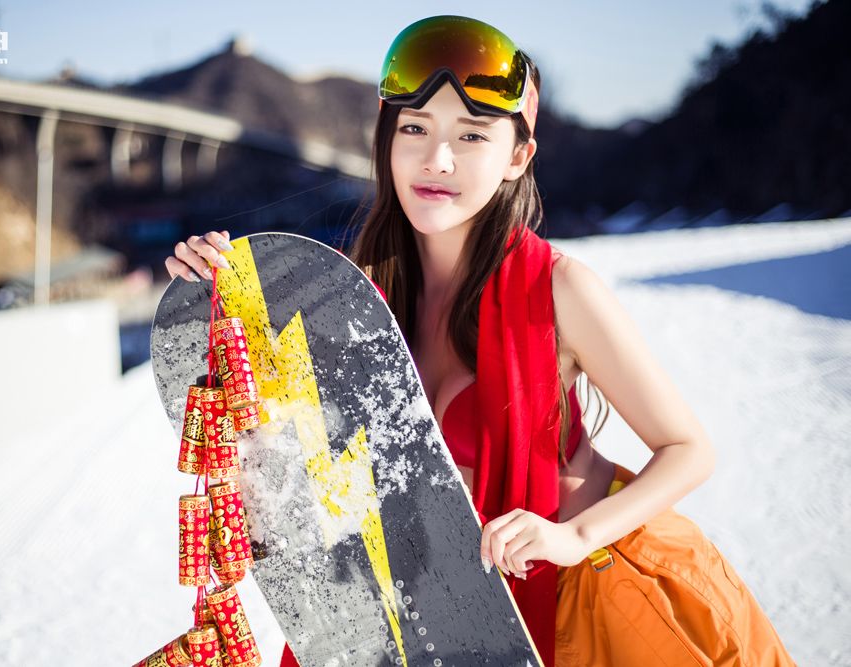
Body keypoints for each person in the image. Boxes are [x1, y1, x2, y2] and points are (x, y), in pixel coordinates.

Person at [164, 14, 795, 667]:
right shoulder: (356, 295)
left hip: (567, 612)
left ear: (517, 157)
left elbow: (688, 449)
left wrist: (573, 534)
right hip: (414, 618)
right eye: (415, 129)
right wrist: (221, 292)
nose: (437, 160)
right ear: (385, 141)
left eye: (471, 136)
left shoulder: (560, 291)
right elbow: (293, 453)